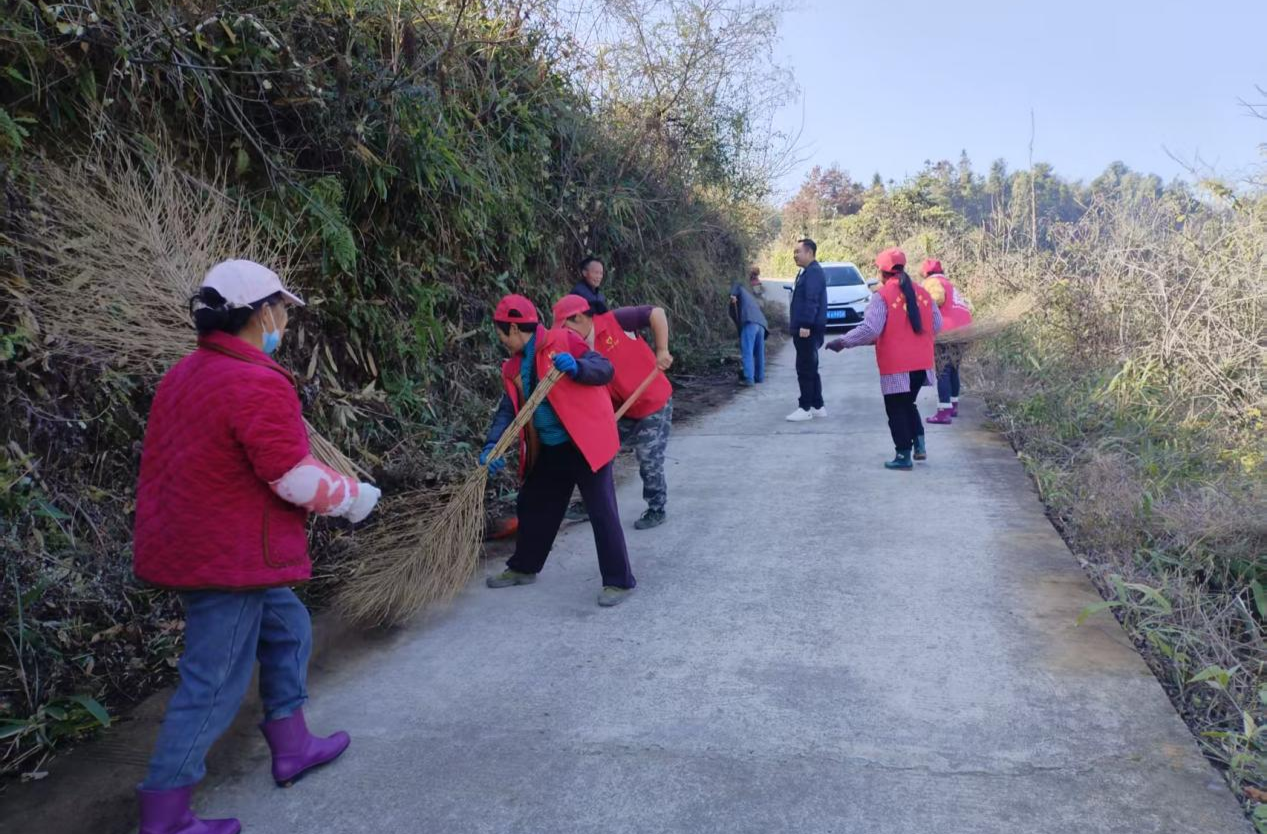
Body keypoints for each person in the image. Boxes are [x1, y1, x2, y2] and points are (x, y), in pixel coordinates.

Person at [132, 260, 381, 834]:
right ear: (261, 313)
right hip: (230, 557)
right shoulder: (255, 380)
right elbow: (291, 477)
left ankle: (291, 744)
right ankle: (165, 816)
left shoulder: (186, 373)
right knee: (212, 683)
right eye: (283, 311)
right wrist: (353, 497)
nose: (285, 321)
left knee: (288, 626)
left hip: (205, 543)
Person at [479, 294, 637, 606]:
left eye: (501, 334)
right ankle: (524, 567)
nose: (501, 341)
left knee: (601, 510)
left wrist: (577, 366)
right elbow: (507, 410)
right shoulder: (512, 366)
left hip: (584, 442)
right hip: (552, 449)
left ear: (513, 328)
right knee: (533, 503)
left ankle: (619, 581)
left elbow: (603, 368)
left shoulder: (563, 340)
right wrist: (491, 446)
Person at [553, 294, 674, 530]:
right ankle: (591, 503)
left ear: (578, 317)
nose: (563, 334)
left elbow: (656, 313)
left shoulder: (615, 320)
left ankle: (657, 508)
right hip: (621, 408)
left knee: (649, 458)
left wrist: (662, 349)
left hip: (653, 401)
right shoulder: (574, 347)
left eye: (565, 326)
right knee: (596, 453)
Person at [826, 248, 942, 469]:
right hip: (922, 363)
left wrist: (842, 342)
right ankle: (919, 444)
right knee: (908, 403)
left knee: (896, 408)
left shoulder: (883, 296)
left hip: (897, 365)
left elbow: (871, 329)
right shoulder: (923, 293)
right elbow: (936, 325)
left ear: (882, 272)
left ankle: (903, 456)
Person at [919, 259, 973, 424]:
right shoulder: (948, 283)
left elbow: (936, 299)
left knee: (943, 369)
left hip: (947, 331)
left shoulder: (932, 282)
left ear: (926, 273)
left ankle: (943, 412)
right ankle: (953, 405)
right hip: (964, 329)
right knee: (954, 368)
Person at [787, 238, 827, 422]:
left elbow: (812, 301)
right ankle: (817, 405)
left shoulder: (813, 273)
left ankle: (805, 408)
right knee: (811, 367)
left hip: (807, 329)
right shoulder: (806, 272)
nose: (795, 255)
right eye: (794, 252)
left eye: (798, 251)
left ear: (809, 252)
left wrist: (805, 325)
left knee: (804, 368)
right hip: (805, 328)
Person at [730, 278, 768, 386]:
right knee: (759, 352)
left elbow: (737, 282)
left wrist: (732, 295)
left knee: (747, 351)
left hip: (750, 323)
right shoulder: (748, 296)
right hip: (761, 324)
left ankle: (749, 379)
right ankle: (759, 377)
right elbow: (737, 320)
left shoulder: (738, 289)